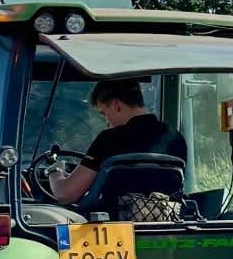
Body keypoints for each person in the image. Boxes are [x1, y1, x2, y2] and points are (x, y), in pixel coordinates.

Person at [52, 79, 189, 205]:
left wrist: (55, 172)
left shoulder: (110, 139)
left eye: (104, 113)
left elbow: (66, 195)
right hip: (165, 225)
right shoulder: (175, 138)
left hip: (116, 227)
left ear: (116, 105)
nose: (106, 121)